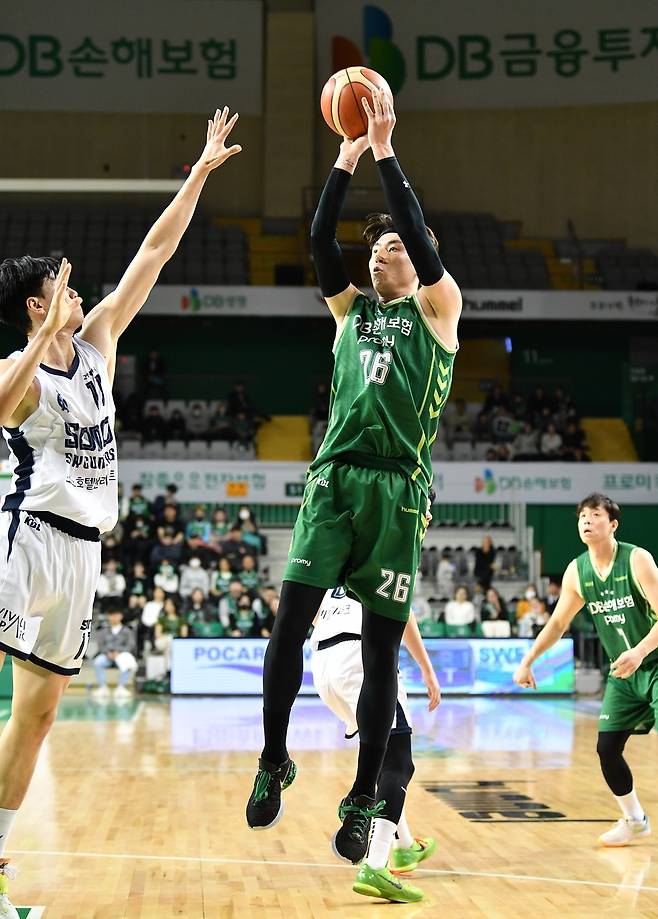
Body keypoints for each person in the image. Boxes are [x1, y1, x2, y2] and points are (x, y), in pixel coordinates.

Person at [0, 106, 242, 913]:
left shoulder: (99, 340)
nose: (79, 291)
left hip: (83, 554)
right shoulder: (20, 364)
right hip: (24, 535)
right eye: (61, 287)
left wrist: (200, 172)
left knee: (35, 719)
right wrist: (33, 345)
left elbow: (154, 252)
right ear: (40, 305)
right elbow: (2, 408)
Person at [245, 86, 462, 888]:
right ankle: (274, 759)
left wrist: (386, 149)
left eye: (396, 247)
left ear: (424, 255)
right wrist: (344, 155)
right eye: (376, 251)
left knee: (382, 664)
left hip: (398, 492)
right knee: (286, 623)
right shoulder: (348, 312)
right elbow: (315, 238)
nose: (381, 256)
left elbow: (423, 249)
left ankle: (367, 797)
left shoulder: (441, 309)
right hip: (335, 481)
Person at [514, 492, 658, 846]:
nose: (586, 520)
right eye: (582, 515)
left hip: (653, 663)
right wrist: (529, 659)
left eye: (595, 514)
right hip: (623, 676)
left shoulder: (638, 560)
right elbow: (558, 623)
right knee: (607, 749)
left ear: (612, 524)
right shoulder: (577, 571)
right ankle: (634, 818)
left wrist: (639, 652)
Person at [311, 587, 439, 902]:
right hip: (361, 659)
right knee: (399, 764)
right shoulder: (390, 549)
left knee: (381, 759)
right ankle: (376, 863)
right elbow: (404, 613)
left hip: (324, 665)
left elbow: (313, 612)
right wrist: (427, 669)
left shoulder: (340, 557)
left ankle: (405, 846)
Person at [92, 608, 138, 700]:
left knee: (127, 662)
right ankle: (102, 687)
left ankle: (121, 687)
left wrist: (118, 652)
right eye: (111, 615)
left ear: (121, 616)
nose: (114, 618)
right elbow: (101, 645)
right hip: (107, 655)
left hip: (121, 655)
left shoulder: (127, 631)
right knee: (97, 662)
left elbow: (130, 645)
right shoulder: (103, 631)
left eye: (116, 615)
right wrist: (108, 653)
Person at [154, 597, 188, 673]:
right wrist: (168, 637)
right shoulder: (161, 619)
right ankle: (169, 668)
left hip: (176, 642)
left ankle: (170, 668)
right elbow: (157, 634)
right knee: (169, 641)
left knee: (172, 643)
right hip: (162, 641)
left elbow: (184, 635)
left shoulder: (181, 619)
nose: (168, 607)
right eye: (167, 605)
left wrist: (174, 639)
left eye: (170, 605)